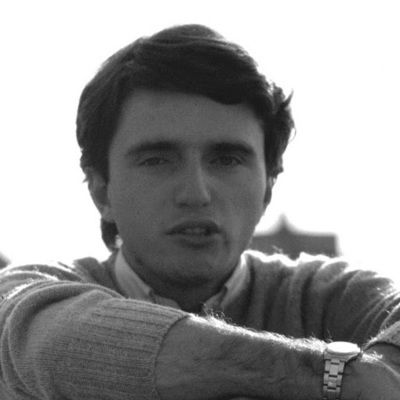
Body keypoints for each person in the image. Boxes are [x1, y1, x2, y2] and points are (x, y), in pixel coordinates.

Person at [0, 24, 399, 400]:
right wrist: (338, 376)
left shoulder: (330, 297)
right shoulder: (28, 298)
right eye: (157, 160)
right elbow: (46, 341)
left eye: (226, 159)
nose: (196, 193)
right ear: (101, 189)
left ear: (268, 185)